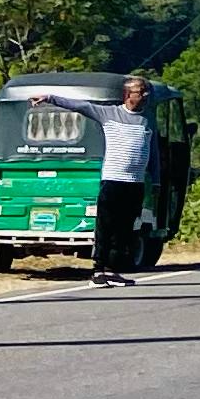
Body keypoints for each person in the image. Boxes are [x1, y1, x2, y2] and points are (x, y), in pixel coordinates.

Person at [87, 76, 156, 287]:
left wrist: (154, 179)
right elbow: (80, 106)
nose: (145, 96)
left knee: (125, 229)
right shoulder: (109, 114)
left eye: (146, 92)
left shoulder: (147, 120)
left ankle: (112, 269)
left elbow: (150, 151)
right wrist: (49, 98)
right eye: (140, 92)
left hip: (135, 183)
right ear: (127, 95)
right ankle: (98, 271)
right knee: (105, 227)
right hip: (113, 181)